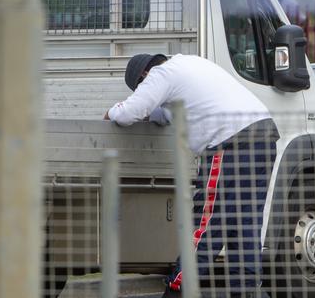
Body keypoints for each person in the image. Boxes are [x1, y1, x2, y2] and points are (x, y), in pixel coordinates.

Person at [105, 53, 280, 297]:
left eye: (141, 87)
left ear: (144, 76)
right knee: (246, 224)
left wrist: (112, 112)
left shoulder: (160, 75)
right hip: (264, 136)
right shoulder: (189, 63)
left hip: (231, 143)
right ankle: (248, 291)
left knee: (206, 224)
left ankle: (177, 289)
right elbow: (165, 115)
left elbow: (128, 113)